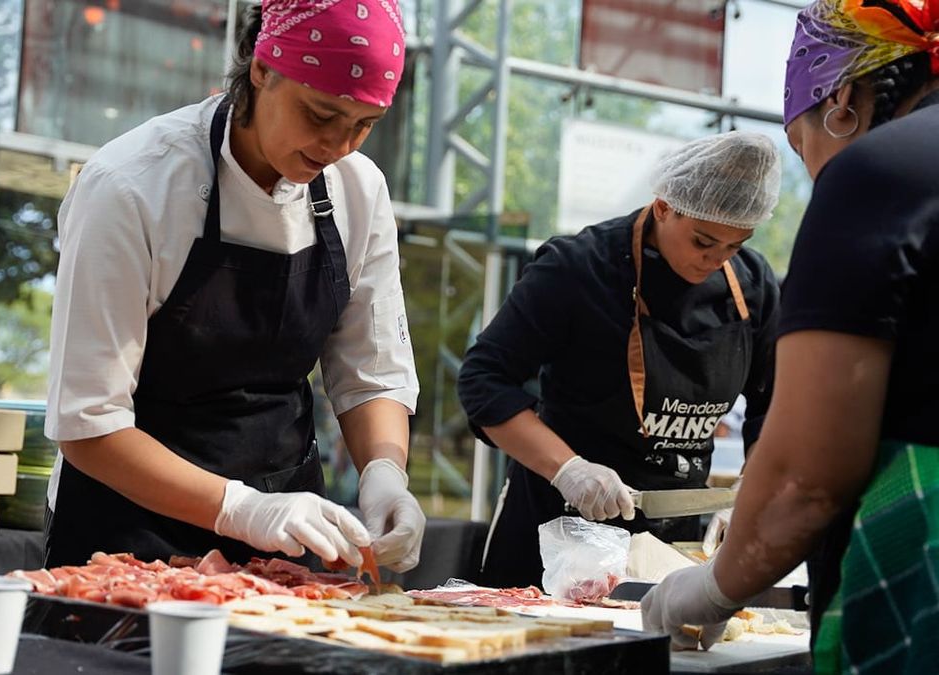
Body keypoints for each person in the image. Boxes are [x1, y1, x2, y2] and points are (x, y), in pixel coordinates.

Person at [43, 0, 426, 575]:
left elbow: (371, 373)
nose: (337, 147)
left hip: (287, 535)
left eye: (363, 125)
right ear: (263, 69)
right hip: (124, 532)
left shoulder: (358, 190)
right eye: (320, 115)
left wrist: (385, 474)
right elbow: (87, 423)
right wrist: (242, 509)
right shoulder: (131, 187)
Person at [640, 1, 939, 670]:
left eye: (802, 146)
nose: (811, 169)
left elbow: (809, 474)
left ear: (841, 102)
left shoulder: (879, 174)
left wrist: (718, 584)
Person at [458, 131, 782, 589]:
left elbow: (777, 403)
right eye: (703, 241)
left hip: (672, 546)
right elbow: (483, 380)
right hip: (556, 535)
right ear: (664, 207)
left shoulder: (754, 286)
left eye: (735, 245)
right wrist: (570, 470)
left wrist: (755, 486)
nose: (716, 260)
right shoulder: (578, 267)